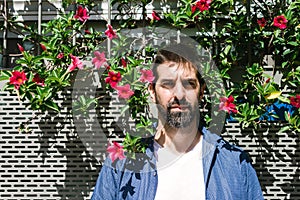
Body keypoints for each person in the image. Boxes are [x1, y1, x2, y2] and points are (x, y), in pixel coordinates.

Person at [91, 44, 264, 200]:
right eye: (168, 84)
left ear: (201, 92)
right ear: (152, 91)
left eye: (189, 84)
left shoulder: (234, 163)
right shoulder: (121, 164)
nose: (179, 95)